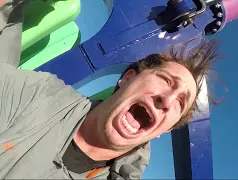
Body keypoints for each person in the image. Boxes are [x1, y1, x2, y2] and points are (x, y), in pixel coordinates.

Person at [0, 0, 220, 179]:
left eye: (180, 103)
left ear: (166, 130)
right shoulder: (40, 95)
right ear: (127, 78)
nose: (168, 99)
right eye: (165, 80)